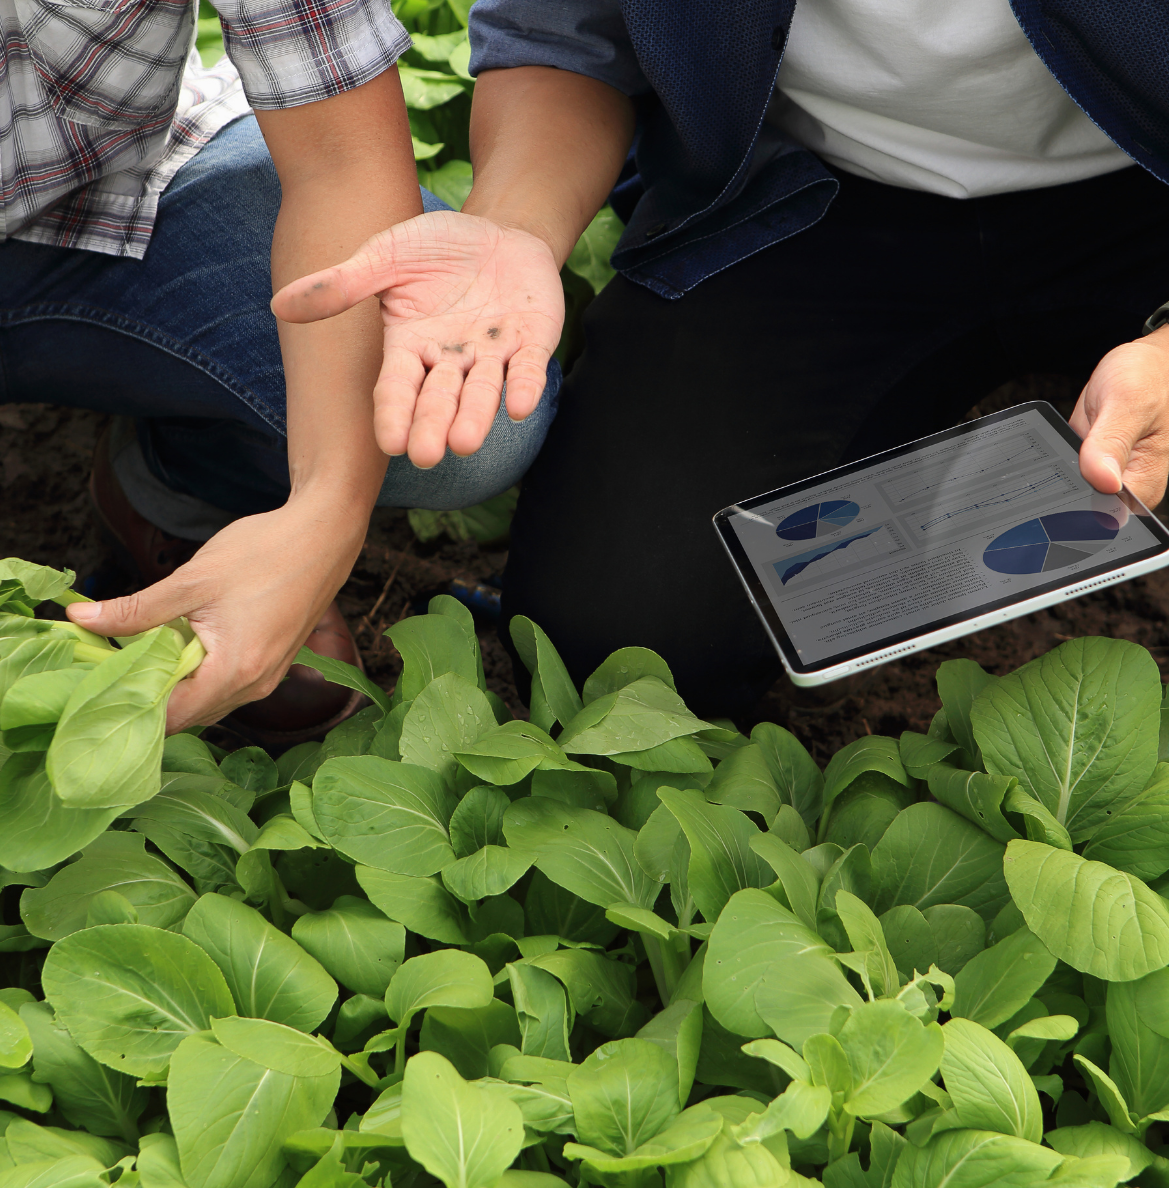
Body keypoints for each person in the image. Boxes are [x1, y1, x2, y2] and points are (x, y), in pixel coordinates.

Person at [285, 0, 1169, 717]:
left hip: (1143, 186)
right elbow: (563, 38)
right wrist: (514, 223)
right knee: (622, 648)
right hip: (816, 195)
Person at [2, 0, 559, 745]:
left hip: (78, 197)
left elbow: (340, 161)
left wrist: (325, 512)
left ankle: (179, 490)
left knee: (459, 411)